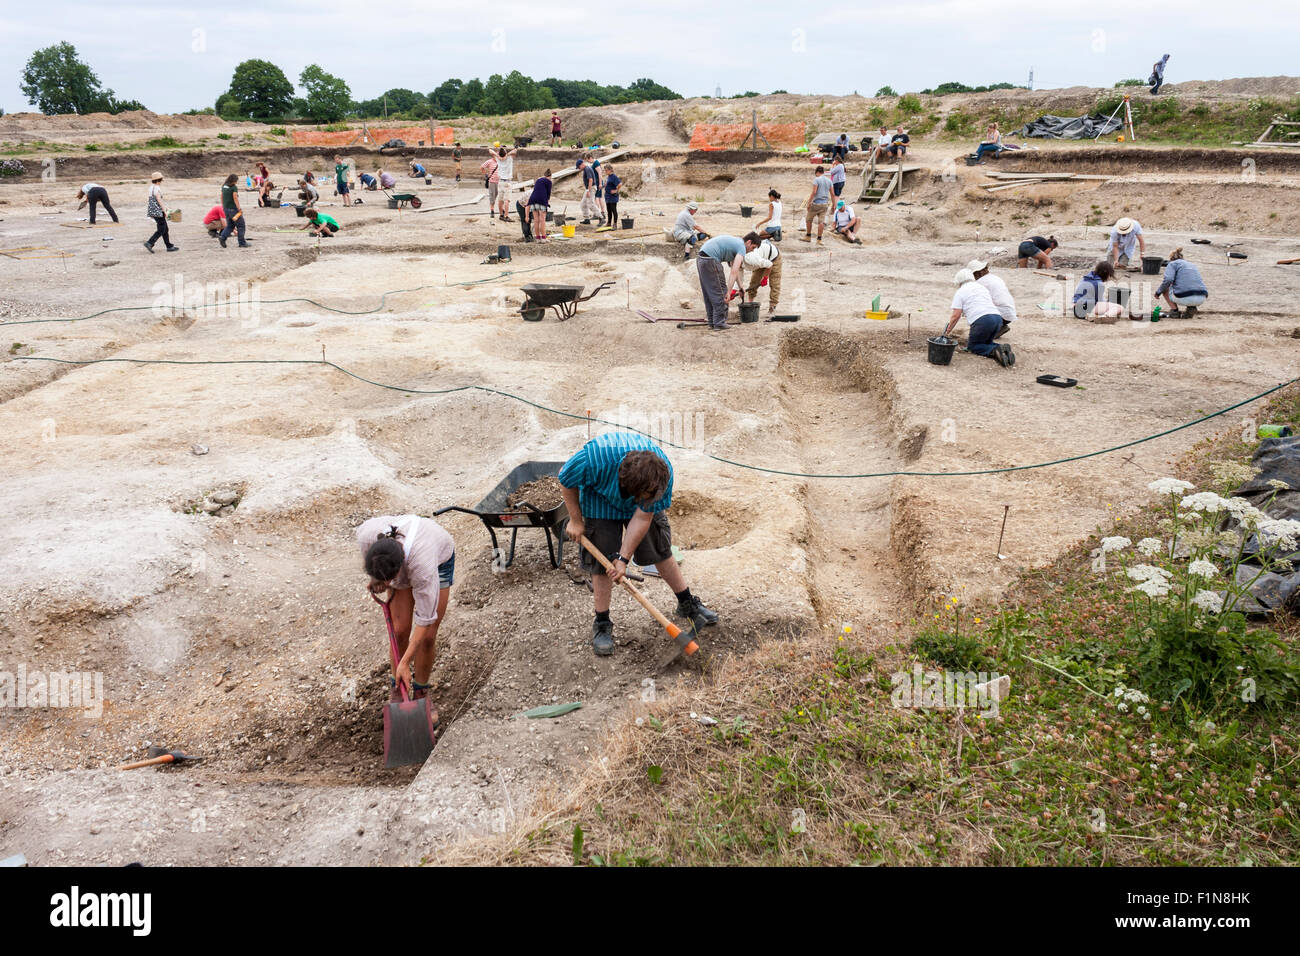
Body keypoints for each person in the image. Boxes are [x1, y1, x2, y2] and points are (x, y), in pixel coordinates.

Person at [558, 432, 718, 656]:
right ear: (628, 488)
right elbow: (565, 479)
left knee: (660, 549)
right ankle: (602, 622)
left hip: (639, 501)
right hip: (599, 499)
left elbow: (642, 517)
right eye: (643, 495)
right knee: (601, 560)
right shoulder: (594, 458)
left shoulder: (661, 475)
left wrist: (623, 559)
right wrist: (576, 520)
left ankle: (687, 603)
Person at [357, 514, 455, 700]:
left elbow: (426, 618)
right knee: (400, 631)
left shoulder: (423, 566)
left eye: (391, 580)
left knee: (427, 636)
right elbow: (371, 560)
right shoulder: (367, 536)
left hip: (438, 559)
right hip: (399, 560)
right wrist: (376, 577)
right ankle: (398, 689)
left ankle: (421, 693)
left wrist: (405, 662)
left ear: (400, 570)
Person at [945, 269, 1014, 367]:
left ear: (959, 282)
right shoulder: (981, 288)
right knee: (986, 342)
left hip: (982, 320)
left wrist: (948, 330)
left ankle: (995, 351)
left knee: (974, 346)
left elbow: (956, 315)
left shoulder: (960, 291)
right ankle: (1003, 349)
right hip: (997, 318)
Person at [696, 234, 746, 330]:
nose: (750, 251)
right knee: (721, 293)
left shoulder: (735, 243)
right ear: (749, 242)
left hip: (701, 259)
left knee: (709, 293)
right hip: (711, 260)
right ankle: (719, 323)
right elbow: (734, 271)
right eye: (753, 248)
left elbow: (734, 268)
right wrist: (729, 291)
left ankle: (712, 322)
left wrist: (740, 287)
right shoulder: (742, 247)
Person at [967, 259, 1017, 338]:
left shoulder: (980, 282)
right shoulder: (995, 278)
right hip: (1009, 313)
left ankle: (993, 328)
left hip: (1000, 314)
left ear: (977, 273)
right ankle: (998, 328)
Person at [1155, 247, 1208, 317]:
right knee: (1190, 284)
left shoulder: (1172, 264)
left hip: (1185, 297)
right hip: (1202, 297)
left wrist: (1158, 292)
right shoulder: (1192, 265)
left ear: (1171, 259)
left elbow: (1168, 279)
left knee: (1166, 288)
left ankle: (1174, 311)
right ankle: (1191, 308)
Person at [743, 231, 782, 314]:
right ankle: (750, 303)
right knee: (754, 281)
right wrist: (734, 290)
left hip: (774, 258)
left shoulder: (753, 259)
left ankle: (772, 307)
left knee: (775, 283)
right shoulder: (743, 257)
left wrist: (765, 278)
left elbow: (770, 265)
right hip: (762, 259)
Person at [142, 171, 178, 254]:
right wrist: (164, 210)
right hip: (158, 211)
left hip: (153, 210)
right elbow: (159, 200)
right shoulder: (157, 188)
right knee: (162, 229)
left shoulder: (151, 187)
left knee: (165, 228)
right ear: (159, 180)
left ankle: (169, 246)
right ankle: (150, 242)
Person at [801, 165, 833, 244]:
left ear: (817, 172)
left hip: (816, 204)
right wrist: (834, 205)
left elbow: (814, 192)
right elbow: (832, 194)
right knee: (821, 222)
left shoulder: (816, 179)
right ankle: (819, 239)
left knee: (809, 219)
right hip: (825, 204)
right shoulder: (829, 181)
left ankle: (808, 236)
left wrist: (809, 203)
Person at [218, 172, 249, 248]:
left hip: (226, 209)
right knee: (241, 225)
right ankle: (242, 243)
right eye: (236, 181)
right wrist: (239, 208)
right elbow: (235, 197)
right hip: (233, 209)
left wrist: (223, 206)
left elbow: (221, 196)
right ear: (233, 180)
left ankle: (223, 237)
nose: (236, 182)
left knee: (230, 226)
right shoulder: (234, 187)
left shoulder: (224, 186)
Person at [527, 168, 552, 242]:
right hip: (541, 200)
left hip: (533, 200)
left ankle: (538, 238)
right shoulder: (549, 181)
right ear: (550, 176)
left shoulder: (538, 180)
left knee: (536, 220)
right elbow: (548, 193)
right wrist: (547, 202)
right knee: (542, 220)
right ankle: (543, 238)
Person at [495, 145, 518, 220]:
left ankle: (501, 215)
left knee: (500, 200)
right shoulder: (509, 158)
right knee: (507, 200)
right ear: (505, 153)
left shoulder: (497, 159)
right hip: (507, 182)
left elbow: (490, 151)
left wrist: (499, 155)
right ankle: (506, 216)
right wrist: (507, 154)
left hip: (500, 182)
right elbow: (514, 152)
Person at [578, 159, 600, 224]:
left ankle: (601, 217)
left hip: (591, 188)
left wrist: (588, 190)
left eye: (579, 167)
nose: (579, 169)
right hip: (589, 188)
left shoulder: (587, 169)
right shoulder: (586, 169)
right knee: (583, 204)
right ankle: (586, 219)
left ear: (581, 164)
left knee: (591, 204)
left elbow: (591, 180)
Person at [480, 149, 500, 219]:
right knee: (492, 197)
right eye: (496, 155)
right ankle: (492, 210)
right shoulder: (489, 161)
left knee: (499, 196)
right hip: (492, 182)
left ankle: (501, 211)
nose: (497, 156)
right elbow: (482, 167)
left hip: (500, 182)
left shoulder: (500, 161)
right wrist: (486, 174)